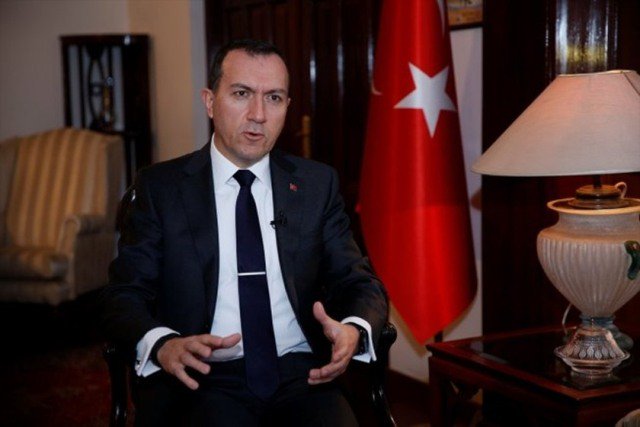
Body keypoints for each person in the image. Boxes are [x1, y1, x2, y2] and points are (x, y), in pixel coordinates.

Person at [101, 38, 388, 426]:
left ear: (287, 107)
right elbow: (123, 295)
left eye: (274, 98)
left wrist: (353, 330)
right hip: (200, 375)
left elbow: (360, 282)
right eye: (241, 94)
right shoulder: (161, 188)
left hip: (303, 374)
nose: (258, 115)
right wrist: (164, 344)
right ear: (209, 102)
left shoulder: (316, 185)